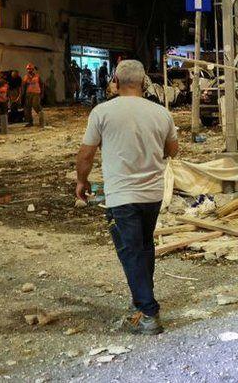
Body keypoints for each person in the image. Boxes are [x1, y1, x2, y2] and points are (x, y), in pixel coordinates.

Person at [75, 60, 178, 335]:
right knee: (144, 248)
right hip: (153, 194)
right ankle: (140, 303)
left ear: (115, 82)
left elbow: (86, 154)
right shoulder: (161, 113)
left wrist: (81, 182)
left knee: (131, 252)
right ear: (144, 83)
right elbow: (172, 150)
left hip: (122, 195)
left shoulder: (102, 112)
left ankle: (148, 313)